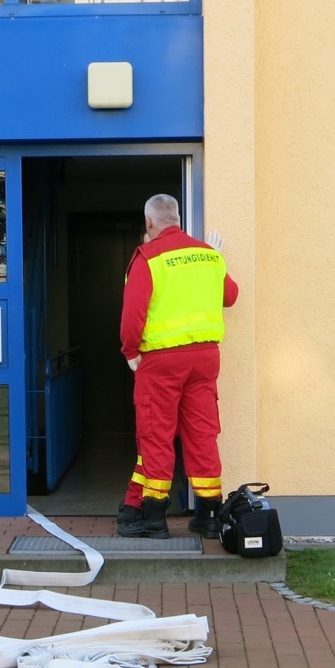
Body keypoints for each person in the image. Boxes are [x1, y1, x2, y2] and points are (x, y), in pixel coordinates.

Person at [115, 194, 239, 539]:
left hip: (161, 361)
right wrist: (217, 259)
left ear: (149, 222)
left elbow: (132, 315)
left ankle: (154, 517)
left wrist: (129, 352)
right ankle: (210, 515)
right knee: (202, 432)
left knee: (157, 434)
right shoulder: (209, 257)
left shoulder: (148, 257)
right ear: (178, 218)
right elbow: (230, 297)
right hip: (205, 359)